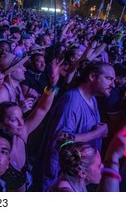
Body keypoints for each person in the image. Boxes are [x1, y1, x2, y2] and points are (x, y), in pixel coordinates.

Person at [33, 61, 114, 191]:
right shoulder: (72, 101)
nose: (113, 84)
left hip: (77, 178)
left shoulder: (92, 99)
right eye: (109, 78)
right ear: (92, 77)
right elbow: (60, 140)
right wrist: (97, 133)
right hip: (60, 180)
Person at [50, 127, 126, 192]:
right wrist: (112, 158)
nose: (103, 167)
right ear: (82, 173)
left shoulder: (75, 180)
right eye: (99, 166)